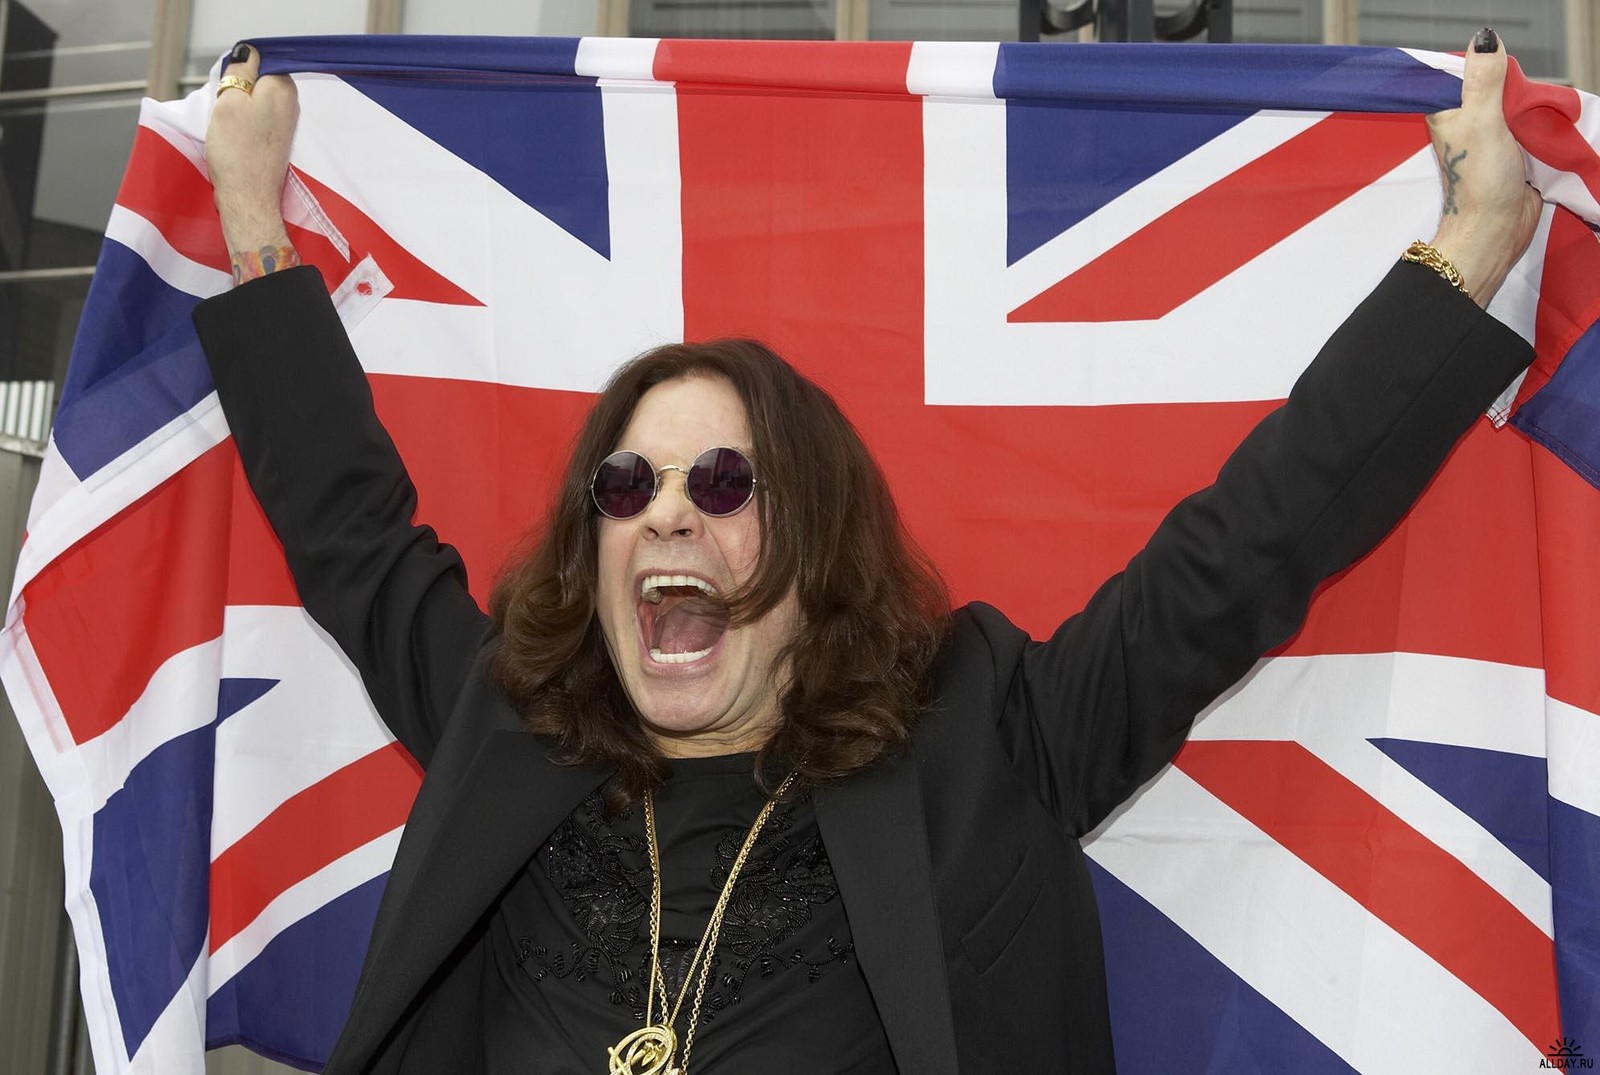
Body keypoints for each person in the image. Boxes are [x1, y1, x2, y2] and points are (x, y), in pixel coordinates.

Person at [196, 32, 1541, 1075]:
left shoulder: (985, 745)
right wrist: (252, 221)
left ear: (817, 547)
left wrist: (1472, 249)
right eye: (628, 483)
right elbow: (353, 536)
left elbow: (1243, 552)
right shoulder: (509, 726)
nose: (667, 511)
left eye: (724, 481)